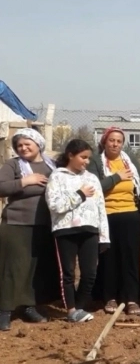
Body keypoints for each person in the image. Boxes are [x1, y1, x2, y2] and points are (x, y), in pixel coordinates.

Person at [45, 139, 109, 323]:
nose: (86, 162)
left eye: (88, 158)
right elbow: (55, 205)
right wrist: (79, 194)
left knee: (90, 273)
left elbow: (100, 208)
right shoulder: (57, 176)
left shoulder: (92, 178)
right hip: (65, 230)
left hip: (90, 230)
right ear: (70, 155)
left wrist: (104, 236)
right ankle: (71, 310)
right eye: (83, 157)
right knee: (68, 273)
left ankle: (79, 307)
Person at [0, 129, 57, 331]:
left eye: (27, 144)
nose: (23, 148)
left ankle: (28, 307)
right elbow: (1, 186)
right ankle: (4, 310)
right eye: (19, 145)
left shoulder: (52, 165)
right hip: (16, 222)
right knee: (12, 268)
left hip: (44, 224)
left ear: (38, 144)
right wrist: (25, 181)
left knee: (34, 268)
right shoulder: (13, 164)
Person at [87, 126, 140, 315]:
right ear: (105, 141)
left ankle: (131, 297)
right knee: (108, 257)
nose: (115, 144)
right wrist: (116, 177)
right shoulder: (96, 162)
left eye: (119, 141)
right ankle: (109, 296)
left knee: (131, 257)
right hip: (107, 216)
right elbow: (94, 187)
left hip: (131, 215)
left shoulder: (130, 161)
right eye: (111, 140)